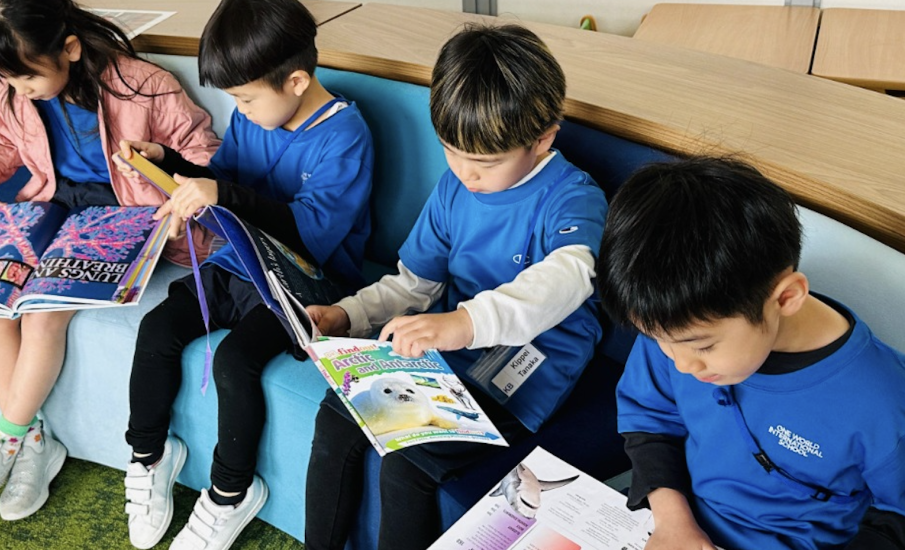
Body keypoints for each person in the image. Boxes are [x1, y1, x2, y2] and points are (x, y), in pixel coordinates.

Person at [303, 23, 608, 550]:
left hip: (523, 373)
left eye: (485, 163)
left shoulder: (573, 197)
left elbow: (566, 277)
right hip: (444, 354)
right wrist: (347, 315)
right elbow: (414, 284)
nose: (465, 173)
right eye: (450, 151)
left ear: (543, 139)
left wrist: (463, 323)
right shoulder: (453, 188)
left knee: (408, 462)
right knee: (337, 414)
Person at [0, 0, 218, 522]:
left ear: (69, 48)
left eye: (27, 79)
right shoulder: (14, 84)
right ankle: (34, 444)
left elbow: (204, 154)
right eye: (9, 82)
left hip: (126, 215)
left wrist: (175, 182)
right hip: (53, 205)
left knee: (43, 309)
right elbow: (2, 137)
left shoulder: (145, 84)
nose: (19, 91)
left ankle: (4, 442)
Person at [116, 0, 374, 548]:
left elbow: (312, 238)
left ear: (298, 80)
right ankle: (148, 454)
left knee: (236, 359)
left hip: (304, 283)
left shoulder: (345, 135)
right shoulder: (254, 116)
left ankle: (231, 492)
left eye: (246, 98)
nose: (241, 109)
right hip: (237, 261)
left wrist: (220, 192)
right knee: (157, 329)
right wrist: (167, 162)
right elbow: (225, 179)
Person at [596, 157, 905, 550]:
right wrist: (673, 523)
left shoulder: (885, 401)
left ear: (787, 297)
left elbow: (897, 517)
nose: (681, 364)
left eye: (704, 346)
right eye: (656, 340)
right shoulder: (674, 324)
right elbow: (650, 419)